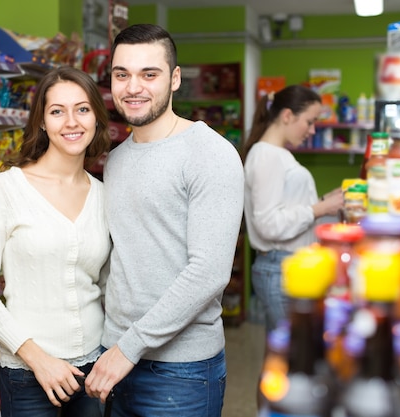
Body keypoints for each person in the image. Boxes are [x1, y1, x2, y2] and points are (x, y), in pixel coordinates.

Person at [84, 23, 245, 417]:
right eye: (122, 74)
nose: (133, 87)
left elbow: (208, 272)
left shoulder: (210, 153)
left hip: (181, 372)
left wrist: (129, 347)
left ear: (174, 79)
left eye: (148, 74)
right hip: (115, 358)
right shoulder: (118, 159)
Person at [0, 66, 112, 417]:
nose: (71, 122)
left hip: (93, 369)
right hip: (28, 373)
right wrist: (37, 359)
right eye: (57, 111)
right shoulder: (3, 191)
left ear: (96, 118)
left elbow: (105, 284)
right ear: (42, 122)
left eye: (83, 109)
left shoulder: (104, 196)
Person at [242, 84, 344, 335]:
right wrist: (320, 208)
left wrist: (324, 202)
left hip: (287, 266)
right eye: (310, 122)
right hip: (280, 269)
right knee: (291, 357)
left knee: (283, 357)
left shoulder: (275, 154)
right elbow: (268, 224)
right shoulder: (267, 156)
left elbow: (285, 206)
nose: (312, 130)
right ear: (287, 115)